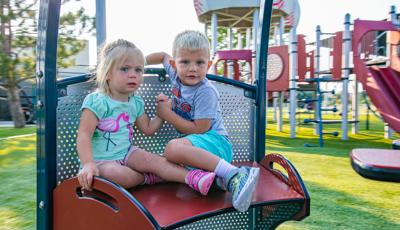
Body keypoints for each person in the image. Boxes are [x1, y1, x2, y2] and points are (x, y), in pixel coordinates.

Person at [76, 39, 216, 196]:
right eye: (125, 69)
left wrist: (161, 112)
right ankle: (148, 178)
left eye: (138, 70)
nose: (133, 75)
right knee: (114, 174)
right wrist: (88, 163)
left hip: (128, 153)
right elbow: (84, 135)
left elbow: (148, 129)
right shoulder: (97, 100)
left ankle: (194, 178)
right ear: (107, 73)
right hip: (101, 161)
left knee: (152, 160)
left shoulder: (135, 101)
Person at [146, 30, 260, 212]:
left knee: (172, 149)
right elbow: (162, 56)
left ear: (208, 64)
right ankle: (223, 181)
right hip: (198, 153)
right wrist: (139, 64)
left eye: (199, 62)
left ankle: (235, 174)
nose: (193, 68)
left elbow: (200, 128)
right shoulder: (176, 75)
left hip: (216, 144)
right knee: (162, 162)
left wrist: (167, 114)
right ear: (175, 64)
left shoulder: (205, 91)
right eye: (185, 62)